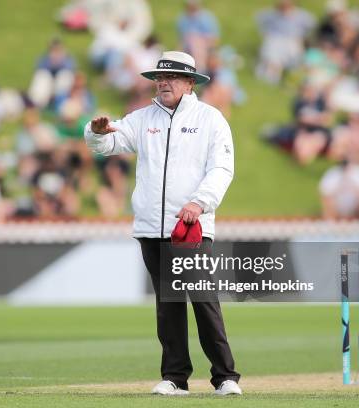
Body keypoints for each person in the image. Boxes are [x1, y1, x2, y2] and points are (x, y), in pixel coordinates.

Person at [84, 51, 241, 396]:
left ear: (189, 82)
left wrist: (200, 202)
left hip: (191, 227)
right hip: (151, 228)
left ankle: (225, 376)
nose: (163, 83)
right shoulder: (142, 118)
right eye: (159, 78)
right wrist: (95, 133)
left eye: (171, 78)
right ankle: (175, 378)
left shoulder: (210, 119)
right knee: (167, 306)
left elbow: (222, 169)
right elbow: (109, 142)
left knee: (203, 300)